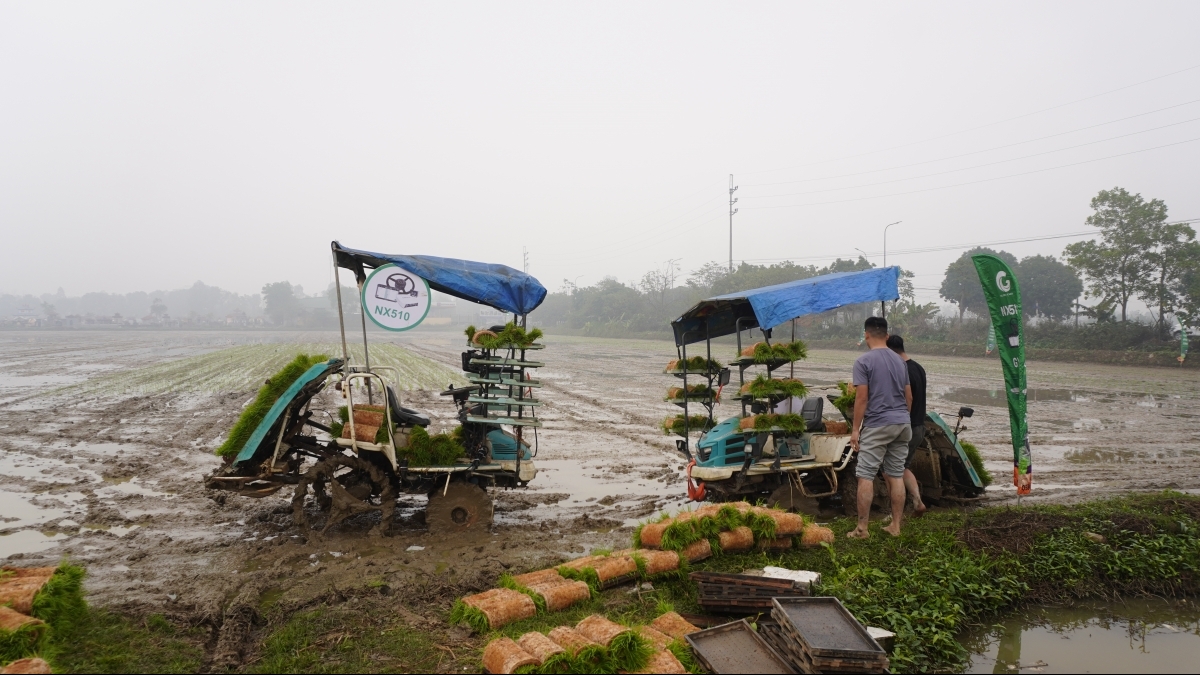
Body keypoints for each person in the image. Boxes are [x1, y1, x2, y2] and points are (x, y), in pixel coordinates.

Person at [847, 316, 912, 539]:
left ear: (866, 335)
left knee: (865, 474)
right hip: (903, 422)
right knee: (895, 475)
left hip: (878, 424)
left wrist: (855, 430)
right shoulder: (901, 361)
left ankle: (862, 529)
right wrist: (903, 418)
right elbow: (908, 396)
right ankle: (896, 526)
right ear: (886, 335)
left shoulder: (863, 361)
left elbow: (861, 398)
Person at [887, 334, 928, 517]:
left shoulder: (903, 370)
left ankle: (896, 512)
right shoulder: (918, 368)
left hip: (907, 427)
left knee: (891, 470)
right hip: (919, 426)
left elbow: (907, 399)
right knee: (902, 467)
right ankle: (917, 501)